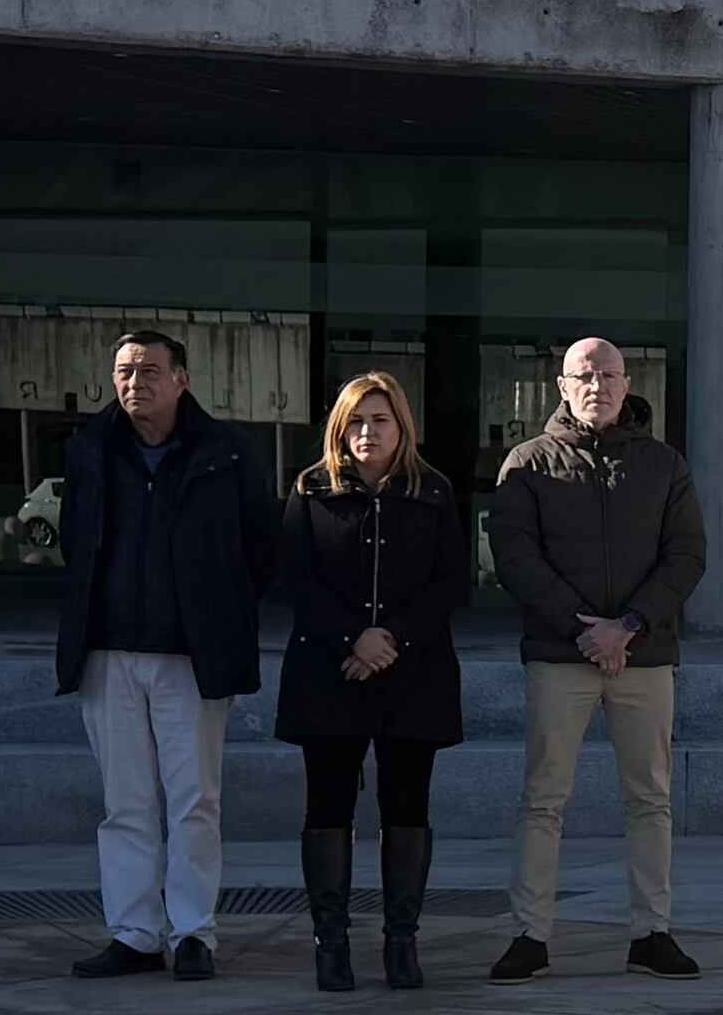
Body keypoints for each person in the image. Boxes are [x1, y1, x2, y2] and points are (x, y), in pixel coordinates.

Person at [57, 329, 275, 981]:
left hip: (191, 654)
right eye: (125, 371)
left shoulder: (225, 451)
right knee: (124, 804)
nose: (135, 382)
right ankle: (134, 934)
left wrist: (221, 610)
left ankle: (193, 933)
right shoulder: (91, 447)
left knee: (193, 802)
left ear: (182, 379)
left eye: (150, 370)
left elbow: (261, 547)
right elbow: (75, 540)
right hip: (109, 651)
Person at [488, 338, 708, 982]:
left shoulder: (664, 465)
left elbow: (687, 555)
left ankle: (652, 933)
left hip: (644, 654)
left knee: (650, 799)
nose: (597, 386)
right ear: (562, 385)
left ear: (628, 383)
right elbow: (516, 559)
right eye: (584, 375)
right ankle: (530, 934)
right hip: (562, 655)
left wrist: (628, 625)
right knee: (543, 798)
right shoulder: (528, 463)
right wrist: (584, 629)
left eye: (608, 375)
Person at [282, 373, 473, 994]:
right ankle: (330, 943)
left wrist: (389, 639)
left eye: (380, 420)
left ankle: (401, 942)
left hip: (412, 673)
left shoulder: (434, 491)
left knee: (407, 804)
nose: (368, 432)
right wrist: (352, 638)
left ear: (402, 427)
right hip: (329, 671)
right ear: (340, 429)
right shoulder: (312, 488)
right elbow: (295, 578)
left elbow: (451, 581)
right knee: (328, 805)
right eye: (356, 421)